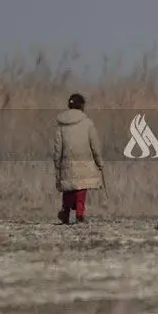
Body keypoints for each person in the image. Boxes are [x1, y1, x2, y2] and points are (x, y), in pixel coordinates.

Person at [53, 93, 104, 224]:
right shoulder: (88, 123)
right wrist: (99, 162)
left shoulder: (61, 125)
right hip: (85, 160)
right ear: (82, 106)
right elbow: (95, 145)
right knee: (81, 187)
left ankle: (65, 212)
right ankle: (80, 214)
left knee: (68, 188)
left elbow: (58, 146)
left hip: (67, 160)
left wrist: (57, 163)